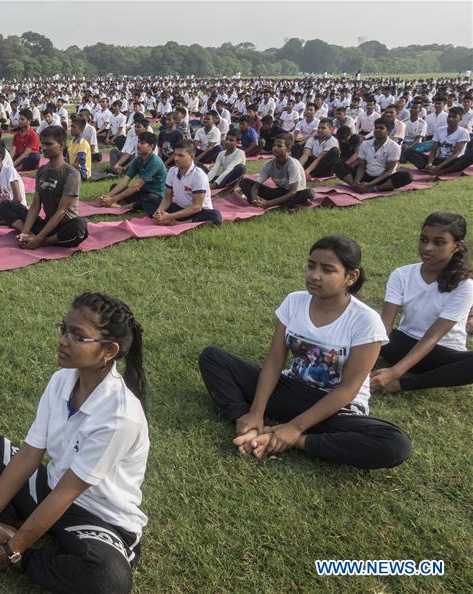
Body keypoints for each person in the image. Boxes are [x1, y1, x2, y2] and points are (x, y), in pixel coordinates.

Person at [0, 292, 148, 594]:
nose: (63, 340)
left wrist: (11, 552)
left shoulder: (119, 416)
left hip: (98, 517)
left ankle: (24, 553)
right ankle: (2, 528)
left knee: (108, 579)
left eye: (78, 336)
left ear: (108, 351)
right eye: (64, 329)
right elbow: (29, 456)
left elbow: (67, 494)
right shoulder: (61, 380)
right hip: (51, 488)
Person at [198, 235, 412, 469]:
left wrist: (294, 429)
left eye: (327, 270)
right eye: (311, 266)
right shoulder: (294, 301)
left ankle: (296, 441)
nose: (314, 275)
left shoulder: (365, 321)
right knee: (213, 358)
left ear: (351, 276)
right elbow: (274, 361)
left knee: (394, 444)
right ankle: (249, 427)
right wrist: (256, 413)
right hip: (291, 390)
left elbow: (347, 390)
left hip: (336, 408)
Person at [372, 212, 473, 392]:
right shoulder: (402, 274)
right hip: (402, 344)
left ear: (457, 246)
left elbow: (432, 337)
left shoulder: (464, 285)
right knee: (370, 331)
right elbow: (384, 327)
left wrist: (395, 373)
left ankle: (403, 385)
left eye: (439, 242)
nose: (427, 248)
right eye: (424, 240)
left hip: (441, 353)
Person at [0, 125, 88, 249]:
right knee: (6, 205)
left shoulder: (71, 174)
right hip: (47, 224)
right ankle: (28, 236)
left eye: (48, 144)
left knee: (79, 227)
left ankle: (43, 241)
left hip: (64, 227)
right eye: (43, 144)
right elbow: (36, 204)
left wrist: (39, 238)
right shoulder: (42, 171)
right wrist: (25, 231)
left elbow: (62, 211)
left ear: (61, 145)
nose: (44, 148)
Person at [145, 139, 222, 224]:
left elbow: (196, 207)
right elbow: (167, 198)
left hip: (196, 212)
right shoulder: (172, 171)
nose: (176, 158)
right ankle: (162, 218)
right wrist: (159, 212)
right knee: (150, 199)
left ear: (192, 156)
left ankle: (176, 223)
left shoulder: (198, 175)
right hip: (180, 209)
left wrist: (170, 216)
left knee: (214, 216)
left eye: (181, 155)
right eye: (175, 155)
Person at [334, 118, 412, 193]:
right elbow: (361, 167)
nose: (377, 130)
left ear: (388, 131)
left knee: (406, 176)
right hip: (366, 175)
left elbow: (389, 171)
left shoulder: (394, 147)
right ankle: (355, 186)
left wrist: (370, 184)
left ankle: (374, 188)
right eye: (376, 128)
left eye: (381, 128)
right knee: (338, 165)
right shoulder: (365, 145)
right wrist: (357, 182)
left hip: (383, 178)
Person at [237, 134, 314, 209]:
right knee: (245, 182)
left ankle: (277, 204)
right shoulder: (268, 164)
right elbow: (256, 186)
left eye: (279, 146)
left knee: (308, 193)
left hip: (295, 193)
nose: (275, 148)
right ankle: (257, 203)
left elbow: (293, 191)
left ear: (288, 149)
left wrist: (269, 203)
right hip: (280, 192)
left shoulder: (293, 164)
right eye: (274, 145)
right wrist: (254, 199)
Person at [98, 131, 166, 211]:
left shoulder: (154, 161)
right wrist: (107, 196)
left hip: (154, 195)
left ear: (150, 146)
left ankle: (121, 207)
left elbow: (136, 186)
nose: (138, 145)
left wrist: (113, 199)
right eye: (138, 142)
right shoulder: (138, 160)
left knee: (148, 200)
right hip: (142, 192)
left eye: (142, 143)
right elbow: (124, 181)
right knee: (114, 186)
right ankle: (114, 203)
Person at [405, 107, 473, 175]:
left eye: (454, 117)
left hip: (453, 162)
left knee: (469, 156)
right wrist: (430, 163)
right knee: (408, 152)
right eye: (449, 117)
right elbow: (434, 149)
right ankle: (429, 168)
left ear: (460, 119)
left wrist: (438, 167)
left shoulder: (463, 132)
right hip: (438, 160)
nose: (450, 119)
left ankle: (443, 171)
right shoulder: (440, 130)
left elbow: (455, 154)